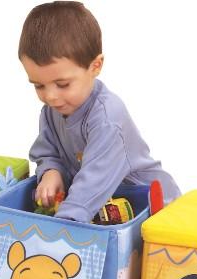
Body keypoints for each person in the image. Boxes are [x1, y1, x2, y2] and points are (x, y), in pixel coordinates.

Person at [19, 1, 181, 222]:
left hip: (152, 207)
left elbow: (92, 182)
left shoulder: (107, 118)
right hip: (103, 210)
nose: (50, 96)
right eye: (39, 85)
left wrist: (61, 227)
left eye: (62, 84)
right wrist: (50, 171)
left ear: (95, 66)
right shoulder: (52, 110)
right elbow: (48, 151)